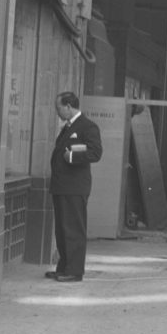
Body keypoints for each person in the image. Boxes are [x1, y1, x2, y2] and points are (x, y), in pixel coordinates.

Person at [47, 92, 103, 282]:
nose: (58, 112)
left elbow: (95, 153)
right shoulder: (68, 127)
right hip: (62, 187)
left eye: (59, 108)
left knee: (73, 230)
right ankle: (63, 267)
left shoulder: (88, 127)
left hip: (75, 188)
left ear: (69, 106)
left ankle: (74, 271)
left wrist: (71, 157)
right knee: (62, 230)